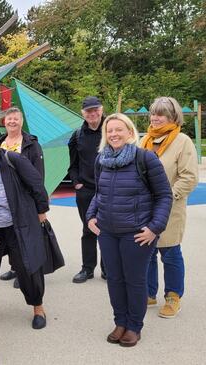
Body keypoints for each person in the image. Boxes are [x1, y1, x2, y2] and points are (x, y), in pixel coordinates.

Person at [87, 113, 172, 347]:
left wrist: (154, 228)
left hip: (136, 233)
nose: (114, 134)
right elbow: (98, 193)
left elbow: (164, 195)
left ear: (130, 133)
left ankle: (134, 325)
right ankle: (120, 322)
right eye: (109, 130)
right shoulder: (101, 160)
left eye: (119, 129)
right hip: (108, 232)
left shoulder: (145, 158)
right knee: (114, 279)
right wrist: (90, 216)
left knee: (134, 280)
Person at [0, 126, 50, 329]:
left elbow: (36, 184)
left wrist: (41, 212)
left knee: (27, 266)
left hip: (19, 223)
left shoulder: (13, 160)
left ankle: (37, 307)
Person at [140, 97, 199, 318]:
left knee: (170, 252)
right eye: (153, 113)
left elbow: (189, 177)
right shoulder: (144, 140)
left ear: (172, 117)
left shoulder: (182, 141)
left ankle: (173, 296)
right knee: (147, 251)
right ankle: (148, 292)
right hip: (145, 208)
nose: (155, 118)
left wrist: (166, 197)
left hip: (170, 207)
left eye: (161, 114)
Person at [0, 107, 45, 287]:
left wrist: (39, 203)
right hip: (2, 197)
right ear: (5, 122)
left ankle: (26, 272)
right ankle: (15, 267)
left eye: (16, 119)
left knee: (25, 236)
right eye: (9, 119)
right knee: (10, 235)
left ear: (21, 121)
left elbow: (38, 175)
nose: (12, 122)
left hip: (24, 197)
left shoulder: (31, 144)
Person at [68, 96, 107, 283]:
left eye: (95, 110)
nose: (92, 114)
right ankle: (87, 268)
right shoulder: (77, 136)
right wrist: (77, 182)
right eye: (88, 111)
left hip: (109, 189)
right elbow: (72, 164)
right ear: (83, 114)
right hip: (86, 190)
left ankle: (108, 269)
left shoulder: (112, 130)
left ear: (101, 110)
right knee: (88, 229)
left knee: (109, 228)